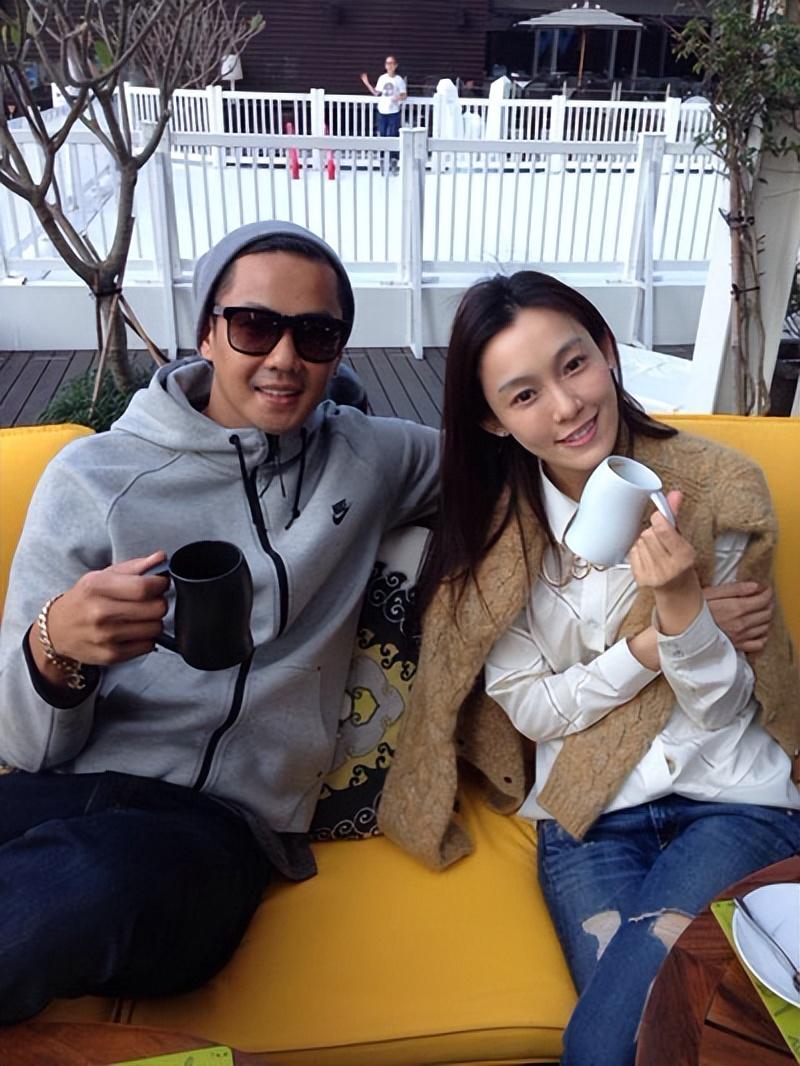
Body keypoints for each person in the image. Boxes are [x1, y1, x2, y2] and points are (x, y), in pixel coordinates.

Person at [0, 219, 438, 1023]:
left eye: (315, 335)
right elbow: (24, 748)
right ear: (206, 330)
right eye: (254, 325)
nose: (285, 357)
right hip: (65, 789)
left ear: (339, 351)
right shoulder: (94, 477)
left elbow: (515, 456)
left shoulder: (370, 456)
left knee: (79, 887)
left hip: (219, 833)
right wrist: (55, 646)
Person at [378, 271, 799, 1066]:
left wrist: (678, 598)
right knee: (643, 1037)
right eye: (524, 394)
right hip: (588, 815)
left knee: (611, 1042)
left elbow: (719, 708)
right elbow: (532, 712)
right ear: (493, 419)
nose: (567, 406)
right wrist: (655, 645)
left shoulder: (716, 488)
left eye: (573, 365)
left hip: (733, 800)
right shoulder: (493, 547)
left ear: (608, 352)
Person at [360, 55, 406, 173]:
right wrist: (367, 83)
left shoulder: (399, 80)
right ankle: (382, 161)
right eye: (387, 63)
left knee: (393, 135)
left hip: (394, 112)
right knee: (382, 135)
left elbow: (404, 95)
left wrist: (398, 97)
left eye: (391, 63)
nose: (389, 66)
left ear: (395, 65)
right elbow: (377, 93)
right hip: (382, 111)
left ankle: (394, 161)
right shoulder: (382, 78)